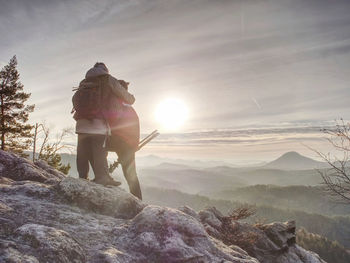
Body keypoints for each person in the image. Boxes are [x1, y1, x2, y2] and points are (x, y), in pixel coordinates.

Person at [73, 62, 135, 186]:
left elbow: (75, 99)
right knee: (99, 151)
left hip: (81, 123)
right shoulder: (108, 79)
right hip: (99, 123)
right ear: (105, 70)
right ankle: (103, 178)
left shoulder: (84, 81)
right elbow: (128, 98)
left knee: (82, 152)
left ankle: (82, 178)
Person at [105, 80, 142, 200]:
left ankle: (103, 176)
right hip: (129, 144)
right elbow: (136, 128)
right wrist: (134, 145)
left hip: (117, 139)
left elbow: (111, 121)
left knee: (97, 146)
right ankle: (138, 201)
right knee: (131, 175)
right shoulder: (130, 108)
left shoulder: (116, 103)